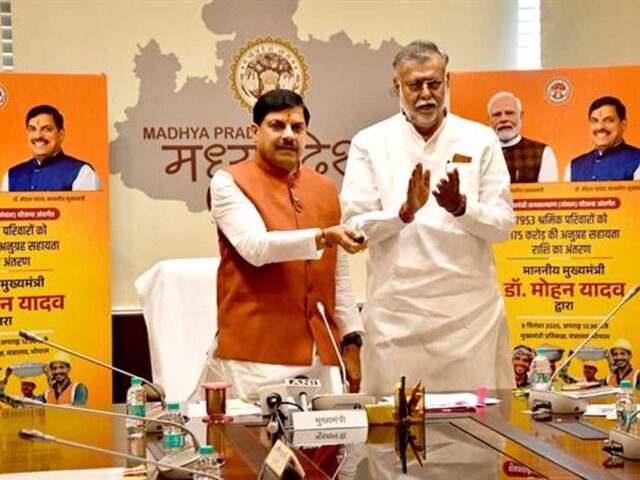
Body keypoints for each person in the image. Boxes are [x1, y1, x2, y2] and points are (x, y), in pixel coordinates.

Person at [341, 40, 515, 394]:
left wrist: (462, 208)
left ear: (447, 82)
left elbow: (503, 225)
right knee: (393, 423)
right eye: (414, 85)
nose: (425, 94)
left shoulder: (480, 138)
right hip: (397, 316)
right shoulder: (370, 142)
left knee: (476, 423)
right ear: (397, 87)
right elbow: (355, 228)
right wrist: (403, 213)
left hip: (470, 318)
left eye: (434, 83)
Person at [207, 89, 367, 399]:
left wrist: (351, 339)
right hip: (257, 355)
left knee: (329, 432)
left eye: (297, 127)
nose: (289, 135)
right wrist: (322, 236)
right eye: (277, 125)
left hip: (322, 352)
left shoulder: (325, 188)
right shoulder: (228, 181)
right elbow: (255, 247)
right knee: (261, 432)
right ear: (254, 131)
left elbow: (338, 275)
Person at [1, 104, 101, 191]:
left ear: (61, 134)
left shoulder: (82, 173)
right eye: (32, 129)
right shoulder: (11, 176)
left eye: (46, 129)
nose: (38, 136)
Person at [487, 91, 558, 183]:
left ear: (521, 115)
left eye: (509, 113)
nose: (503, 119)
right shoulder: (479, 152)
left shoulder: (542, 152)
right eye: (497, 114)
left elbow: (547, 191)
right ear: (489, 120)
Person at [565, 96, 640, 181]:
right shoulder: (574, 167)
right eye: (595, 121)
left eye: (609, 120)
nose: (600, 127)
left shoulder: (637, 160)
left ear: (623, 124)